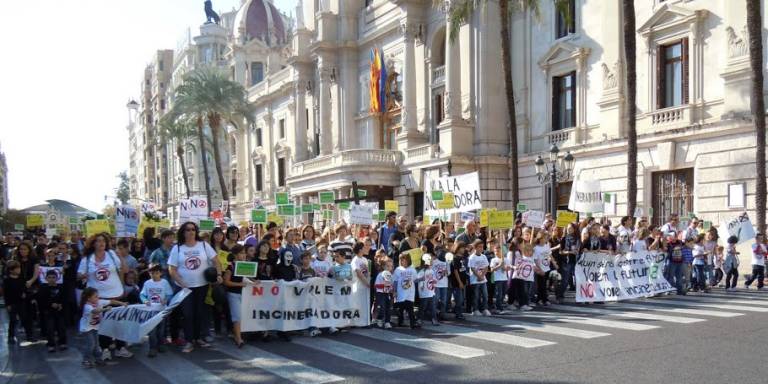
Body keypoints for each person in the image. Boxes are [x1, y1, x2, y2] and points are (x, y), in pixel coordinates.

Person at [168, 222, 222, 353]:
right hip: (185, 288)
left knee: (199, 313)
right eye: (187, 229)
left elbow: (216, 261)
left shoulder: (204, 245)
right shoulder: (178, 248)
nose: (191, 232)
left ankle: (198, 338)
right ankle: (188, 341)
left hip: (202, 286)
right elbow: (172, 269)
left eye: (193, 229)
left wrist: (219, 274)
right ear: (183, 232)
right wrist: (181, 283)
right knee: (187, 314)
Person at [77, 233, 132, 360]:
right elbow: (79, 275)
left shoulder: (112, 255)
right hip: (98, 298)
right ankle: (105, 348)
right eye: (98, 241)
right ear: (93, 244)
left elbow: (125, 270)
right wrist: (83, 276)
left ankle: (120, 347)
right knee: (103, 324)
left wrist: (121, 257)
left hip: (117, 295)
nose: (101, 243)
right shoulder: (87, 258)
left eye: (103, 241)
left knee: (119, 323)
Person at [79, 288, 126, 368]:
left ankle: (98, 359)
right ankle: (86, 360)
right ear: (88, 298)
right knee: (90, 344)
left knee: (97, 345)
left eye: (98, 296)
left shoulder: (99, 302)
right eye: (95, 297)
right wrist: (105, 309)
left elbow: (111, 301)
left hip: (95, 328)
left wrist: (122, 303)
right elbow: (95, 311)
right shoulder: (87, 306)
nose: (98, 298)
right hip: (86, 329)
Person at [140, 263, 174, 357]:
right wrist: (145, 300)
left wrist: (166, 299)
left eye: (156, 273)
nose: (153, 275)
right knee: (152, 330)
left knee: (161, 329)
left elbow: (169, 294)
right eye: (151, 273)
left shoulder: (164, 282)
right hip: (151, 311)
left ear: (160, 273)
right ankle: (152, 347)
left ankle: (161, 344)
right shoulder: (147, 283)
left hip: (161, 310)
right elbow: (142, 294)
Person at [222, 245, 249, 348]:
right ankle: (238, 338)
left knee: (241, 315)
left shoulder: (244, 265)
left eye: (244, 253)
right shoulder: (231, 266)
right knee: (236, 316)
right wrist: (239, 284)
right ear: (235, 255)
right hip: (233, 294)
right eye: (242, 253)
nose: (244, 255)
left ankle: (237, 334)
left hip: (244, 294)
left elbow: (246, 278)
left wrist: (255, 282)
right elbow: (226, 282)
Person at [393, 253, 419, 328]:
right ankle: (400, 322)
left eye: (403, 259)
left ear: (408, 260)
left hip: (410, 293)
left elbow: (415, 279)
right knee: (400, 309)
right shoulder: (398, 269)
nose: (401, 261)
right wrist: (394, 291)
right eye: (400, 259)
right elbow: (395, 281)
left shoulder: (412, 269)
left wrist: (421, 278)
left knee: (410, 309)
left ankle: (412, 323)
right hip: (401, 293)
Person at [3, 261, 25, 344]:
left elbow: (23, 288)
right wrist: (7, 304)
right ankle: (11, 336)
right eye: (17, 268)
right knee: (13, 320)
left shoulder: (21, 278)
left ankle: (29, 334)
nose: (19, 270)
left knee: (24, 317)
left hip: (21, 301)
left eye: (19, 268)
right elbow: (6, 293)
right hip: (12, 303)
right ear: (11, 270)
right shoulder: (7, 280)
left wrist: (24, 294)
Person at [467, 239, 490, 316]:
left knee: (485, 295)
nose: (481, 248)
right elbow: (472, 268)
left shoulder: (484, 256)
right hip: (475, 280)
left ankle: (485, 309)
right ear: (475, 248)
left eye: (482, 247)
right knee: (476, 295)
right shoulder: (472, 257)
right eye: (479, 247)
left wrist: (482, 276)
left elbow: (486, 266)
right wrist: (478, 276)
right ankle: (475, 309)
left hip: (483, 280)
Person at [511, 243, 536, 311]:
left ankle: (526, 303)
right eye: (527, 250)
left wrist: (537, 269)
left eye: (530, 250)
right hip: (522, 278)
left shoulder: (532, 259)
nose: (529, 252)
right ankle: (523, 304)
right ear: (524, 251)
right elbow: (517, 266)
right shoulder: (521, 258)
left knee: (528, 292)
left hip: (529, 278)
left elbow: (534, 267)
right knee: (523, 292)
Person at [449, 241, 468, 320]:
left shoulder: (462, 258)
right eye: (462, 248)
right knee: (458, 299)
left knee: (462, 298)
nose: (463, 249)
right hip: (457, 283)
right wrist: (459, 282)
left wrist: (465, 280)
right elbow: (456, 271)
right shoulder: (455, 258)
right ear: (458, 248)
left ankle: (458, 311)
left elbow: (463, 270)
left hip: (463, 281)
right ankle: (458, 313)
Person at [417, 254, 438, 325]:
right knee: (423, 306)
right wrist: (421, 279)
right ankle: (419, 319)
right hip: (424, 293)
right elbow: (416, 280)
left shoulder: (432, 271)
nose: (432, 261)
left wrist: (434, 283)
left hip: (431, 292)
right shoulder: (422, 271)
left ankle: (434, 319)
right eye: (430, 260)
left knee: (433, 306)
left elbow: (434, 280)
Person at [373, 258, 394, 328]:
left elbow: (391, 285)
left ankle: (387, 322)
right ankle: (379, 319)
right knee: (382, 307)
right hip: (380, 293)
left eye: (390, 266)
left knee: (388, 307)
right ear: (383, 266)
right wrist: (383, 285)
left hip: (387, 293)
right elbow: (376, 285)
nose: (389, 268)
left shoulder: (391, 275)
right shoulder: (380, 275)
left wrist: (392, 290)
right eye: (387, 266)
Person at [489, 243, 509, 313]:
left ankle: (500, 306)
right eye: (496, 251)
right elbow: (492, 269)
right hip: (498, 279)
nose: (497, 253)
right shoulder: (493, 260)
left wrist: (505, 267)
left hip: (504, 278)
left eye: (498, 251)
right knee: (499, 294)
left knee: (503, 293)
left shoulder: (505, 259)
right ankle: (498, 308)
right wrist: (500, 265)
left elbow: (507, 269)